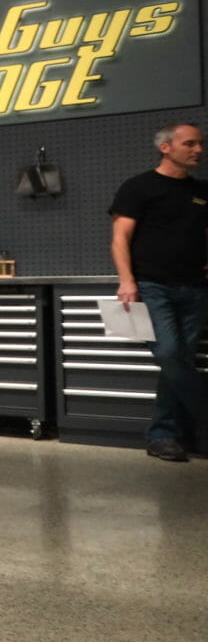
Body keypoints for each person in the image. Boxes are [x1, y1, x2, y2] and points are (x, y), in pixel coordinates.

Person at [109, 121, 208, 461]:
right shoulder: (139, 188)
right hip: (153, 287)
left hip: (195, 289)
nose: (198, 150)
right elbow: (120, 237)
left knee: (177, 362)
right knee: (168, 354)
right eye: (189, 144)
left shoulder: (202, 191)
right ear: (166, 147)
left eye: (200, 144)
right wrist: (127, 280)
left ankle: (164, 437)